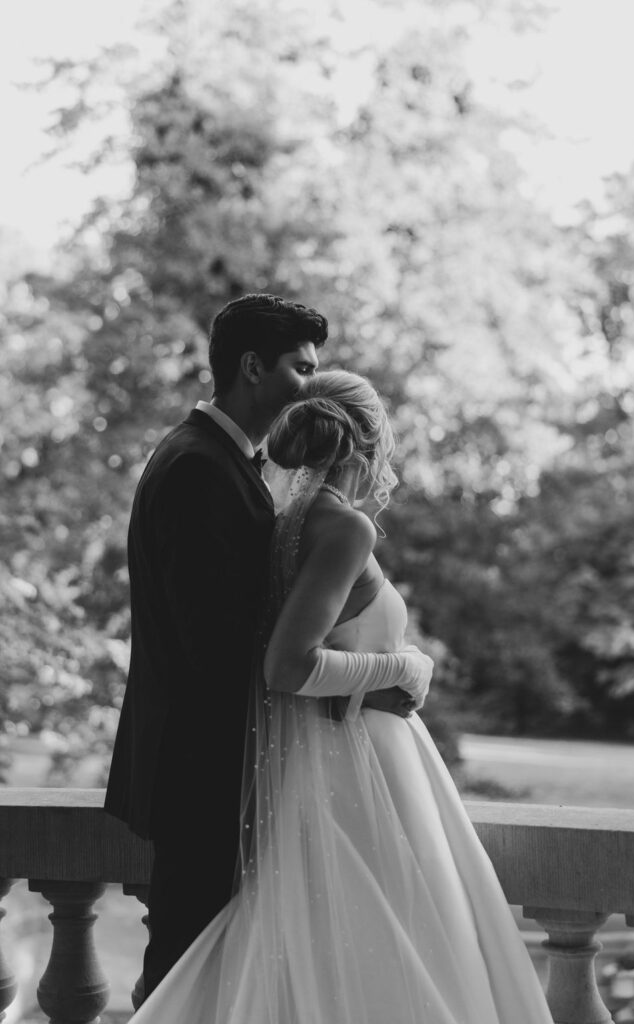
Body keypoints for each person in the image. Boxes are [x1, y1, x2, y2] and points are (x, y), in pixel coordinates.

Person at [128, 369, 554, 1024]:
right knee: (382, 953)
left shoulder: (285, 520)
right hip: (355, 771)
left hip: (331, 760)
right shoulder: (343, 527)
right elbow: (287, 667)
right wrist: (403, 668)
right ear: (371, 438)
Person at [104, 292, 328, 999]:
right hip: (200, 762)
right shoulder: (199, 467)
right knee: (182, 964)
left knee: (199, 959)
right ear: (253, 367)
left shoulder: (217, 458)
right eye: (301, 366)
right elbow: (214, 640)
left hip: (204, 757)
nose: (312, 384)